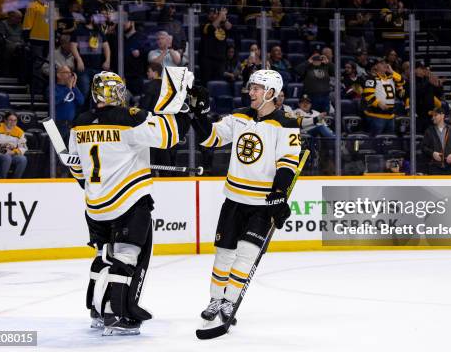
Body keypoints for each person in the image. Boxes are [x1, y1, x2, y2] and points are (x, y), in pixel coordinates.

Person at [67, 71, 191, 335]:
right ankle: (117, 316)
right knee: (126, 256)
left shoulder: (79, 123)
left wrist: (93, 188)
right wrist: (179, 107)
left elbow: (77, 168)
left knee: (104, 254)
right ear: (119, 92)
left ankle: (96, 310)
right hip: (128, 201)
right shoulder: (131, 118)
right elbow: (169, 136)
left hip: (95, 205)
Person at [189, 69, 300, 325]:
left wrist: (279, 194)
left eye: (257, 88)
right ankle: (215, 299)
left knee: (246, 255)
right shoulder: (239, 117)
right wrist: (199, 115)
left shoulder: (286, 125)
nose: (251, 92)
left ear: (271, 93)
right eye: (251, 88)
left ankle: (230, 302)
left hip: (260, 205)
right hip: (234, 200)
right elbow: (211, 138)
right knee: (224, 254)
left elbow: (287, 164)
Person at [361, 58, 405, 136]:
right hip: (376, 116)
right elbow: (368, 96)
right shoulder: (371, 79)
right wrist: (378, 104)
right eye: (381, 63)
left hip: (390, 116)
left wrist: (392, 72)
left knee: (390, 142)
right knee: (376, 142)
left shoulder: (391, 78)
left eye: (385, 63)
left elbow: (402, 81)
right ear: (375, 67)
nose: (385, 65)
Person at [421, 107, 451, 175]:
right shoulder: (429, 131)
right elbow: (423, 147)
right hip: (434, 168)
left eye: (435, 115)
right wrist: (432, 153)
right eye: (432, 116)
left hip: (449, 168)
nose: (433, 118)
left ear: (442, 116)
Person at [0, 112, 28, 179]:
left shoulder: (20, 132)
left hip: (11, 153)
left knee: (23, 159)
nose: (12, 122)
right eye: (10, 120)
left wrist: (13, 152)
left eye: (15, 120)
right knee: (7, 158)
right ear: (5, 120)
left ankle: (15, 180)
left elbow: (23, 148)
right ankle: (2, 180)